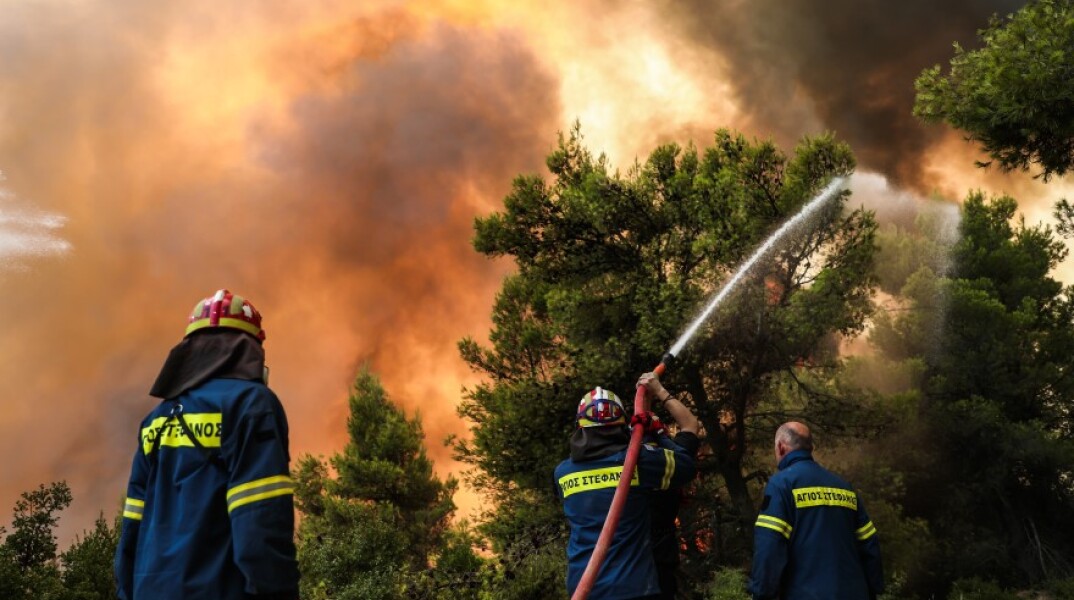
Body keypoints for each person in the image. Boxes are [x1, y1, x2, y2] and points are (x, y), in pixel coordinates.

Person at [115, 289, 300, 600]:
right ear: (249, 348)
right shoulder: (252, 405)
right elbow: (260, 517)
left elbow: (132, 522)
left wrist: (126, 592)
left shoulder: (156, 421)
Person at [555, 377, 697, 600]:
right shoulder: (638, 462)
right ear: (621, 424)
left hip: (584, 587)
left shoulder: (563, 473)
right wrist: (658, 433)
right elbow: (686, 466)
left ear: (580, 427)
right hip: (634, 588)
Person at [749, 422, 883, 600]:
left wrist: (762, 594)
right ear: (810, 447)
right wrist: (873, 590)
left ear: (781, 447)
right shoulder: (844, 487)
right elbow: (869, 544)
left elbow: (770, 546)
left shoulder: (781, 485)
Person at [637, 373, 700, 600]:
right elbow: (691, 424)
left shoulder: (625, 460)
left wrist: (643, 406)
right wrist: (660, 390)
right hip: (661, 559)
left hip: (629, 563)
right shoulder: (674, 459)